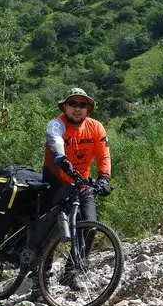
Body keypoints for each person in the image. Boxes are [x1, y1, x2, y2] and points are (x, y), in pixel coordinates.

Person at [32, 87, 111, 258]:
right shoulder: (56, 124)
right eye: (72, 103)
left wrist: (104, 178)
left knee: (90, 227)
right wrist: (61, 157)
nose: (77, 108)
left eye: (82, 105)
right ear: (65, 107)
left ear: (87, 110)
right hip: (56, 182)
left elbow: (103, 155)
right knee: (50, 233)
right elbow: (56, 140)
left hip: (81, 182)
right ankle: (40, 277)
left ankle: (73, 272)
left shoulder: (96, 127)